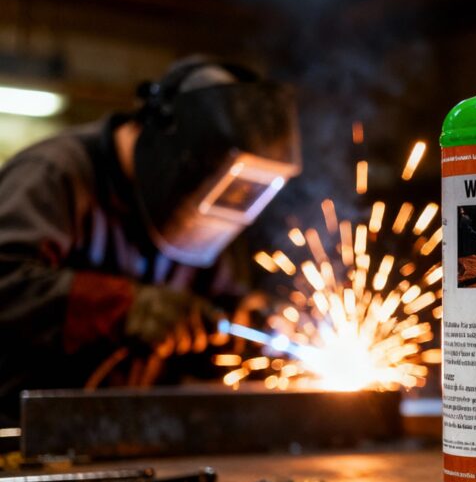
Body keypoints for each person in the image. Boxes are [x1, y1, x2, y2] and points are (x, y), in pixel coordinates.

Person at [0, 56, 301, 425]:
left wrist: (240, 329)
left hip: (117, 435)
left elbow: (212, 307)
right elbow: (6, 283)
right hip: (16, 434)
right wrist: (125, 307)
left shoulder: (209, 207)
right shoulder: (56, 175)